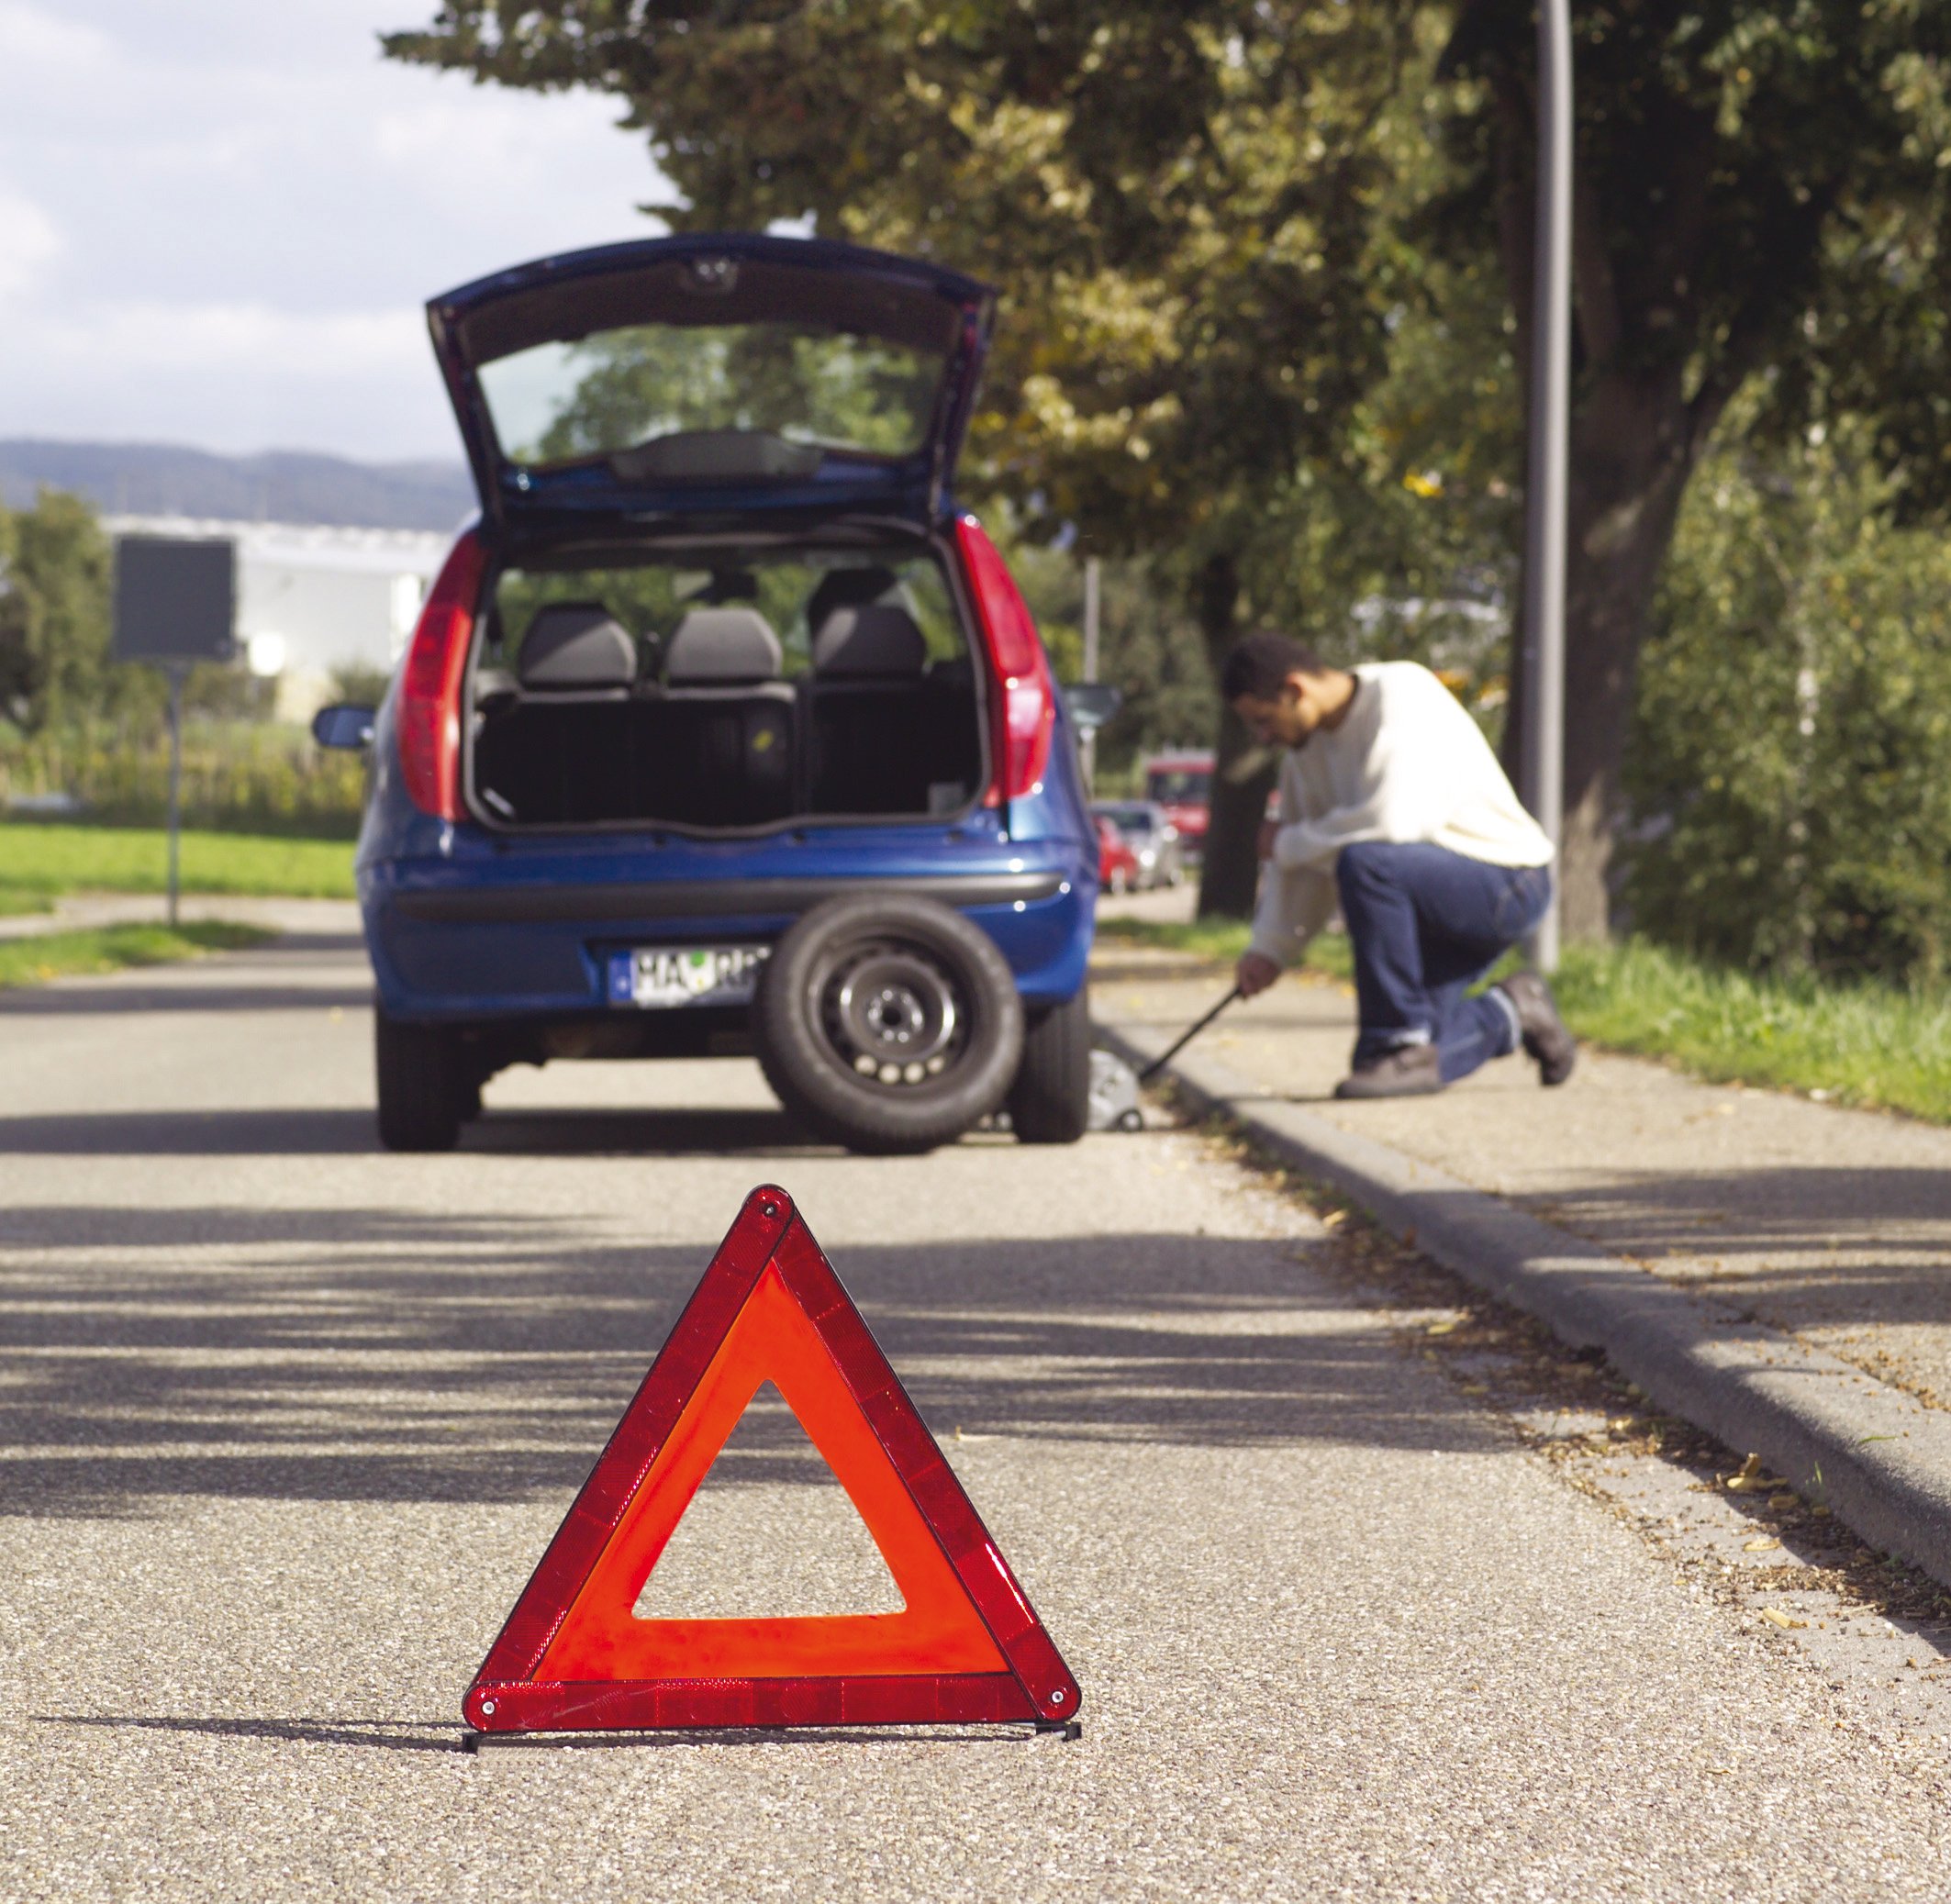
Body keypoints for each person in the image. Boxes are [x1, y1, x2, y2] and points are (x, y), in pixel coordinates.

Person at [1222, 629, 1577, 1098]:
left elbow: (1393, 822)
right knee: (1390, 1068)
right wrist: (1269, 949)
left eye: (1263, 720)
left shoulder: (1401, 696)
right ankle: (1513, 1009)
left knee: (1368, 864)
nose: (1263, 737)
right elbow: (1306, 865)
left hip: (1508, 882)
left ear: (1295, 689)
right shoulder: (1301, 761)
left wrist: (1286, 842)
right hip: (1430, 906)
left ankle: (1396, 1038)